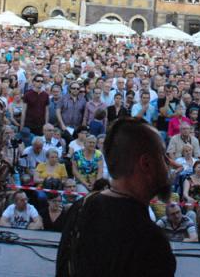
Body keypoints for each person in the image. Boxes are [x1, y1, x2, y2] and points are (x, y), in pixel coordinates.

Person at [56, 116, 176, 277]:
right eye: (163, 155)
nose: (170, 163)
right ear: (146, 163)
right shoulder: (151, 241)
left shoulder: (81, 207)